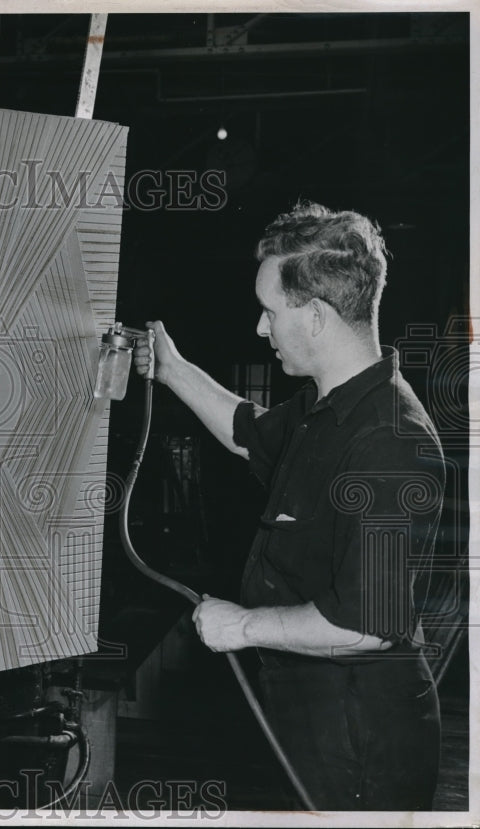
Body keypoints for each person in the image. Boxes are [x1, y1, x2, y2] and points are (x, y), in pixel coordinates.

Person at [133, 201, 444, 811]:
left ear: (317, 316)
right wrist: (173, 371)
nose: (260, 328)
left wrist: (243, 625)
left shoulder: (387, 441)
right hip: (313, 716)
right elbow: (246, 431)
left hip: (362, 738)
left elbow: (367, 626)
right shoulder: (326, 408)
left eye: (271, 311)